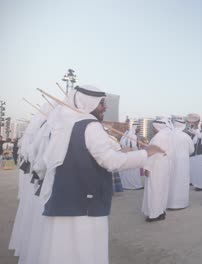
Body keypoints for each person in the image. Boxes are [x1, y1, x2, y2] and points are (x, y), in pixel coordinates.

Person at [37, 85, 164, 264]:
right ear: (87, 103)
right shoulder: (90, 125)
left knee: (63, 251)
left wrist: (124, 150)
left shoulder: (63, 125)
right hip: (86, 205)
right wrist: (146, 153)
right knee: (86, 252)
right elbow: (111, 161)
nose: (104, 108)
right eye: (100, 103)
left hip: (63, 200)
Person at [143, 118, 172, 222]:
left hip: (156, 166)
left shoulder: (158, 137)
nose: (153, 129)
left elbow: (153, 154)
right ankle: (160, 211)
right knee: (162, 189)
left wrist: (147, 168)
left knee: (154, 189)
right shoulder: (168, 135)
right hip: (164, 165)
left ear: (157, 127)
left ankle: (154, 214)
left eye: (153, 127)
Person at [167, 118, 194, 210]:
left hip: (169, 161)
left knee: (170, 181)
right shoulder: (186, 136)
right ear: (183, 126)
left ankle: (169, 203)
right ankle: (180, 203)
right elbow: (192, 150)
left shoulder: (168, 135)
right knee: (181, 181)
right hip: (183, 163)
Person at [119, 124, 144, 189]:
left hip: (126, 155)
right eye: (138, 128)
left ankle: (125, 185)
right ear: (135, 128)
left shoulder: (126, 135)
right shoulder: (133, 136)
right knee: (134, 171)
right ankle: (135, 185)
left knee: (127, 171)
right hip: (133, 155)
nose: (139, 129)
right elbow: (134, 147)